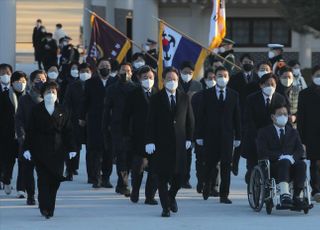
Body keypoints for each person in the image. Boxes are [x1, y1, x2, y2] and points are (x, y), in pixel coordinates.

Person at [22, 81, 76, 219]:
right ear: (43, 94)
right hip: (40, 150)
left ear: (57, 94)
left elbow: (68, 131)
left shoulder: (63, 110)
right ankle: (45, 207)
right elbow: (30, 131)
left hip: (58, 151)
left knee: (55, 180)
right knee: (43, 179)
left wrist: (71, 148)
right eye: (48, 92)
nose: (50, 94)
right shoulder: (36, 110)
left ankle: (50, 205)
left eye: (53, 92)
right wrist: (26, 148)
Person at [145, 67, 194, 217]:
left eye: (174, 79)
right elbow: (150, 121)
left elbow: (190, 120)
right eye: (169, 79)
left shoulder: (184, 97)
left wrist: (189, 138)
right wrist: (150, 141)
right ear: (163, 80)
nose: (172, 82)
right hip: (161, 144)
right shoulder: (156, 98)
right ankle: (165, 207)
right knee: (162, 177)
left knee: (179, 177)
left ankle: (171, 197)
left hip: (179, 144)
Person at [195, 66, 241, 204]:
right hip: (210, 135)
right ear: (215, 77)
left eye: (225, 75)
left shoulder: (234, 94)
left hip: (227, 136)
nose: (222, 78)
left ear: (228, 78)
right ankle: (207, 185)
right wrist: (199, 135)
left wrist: (238, 136)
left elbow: (236, 117)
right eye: (219, 75)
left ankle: (224, 194)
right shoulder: (207, 94)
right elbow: (201, 116)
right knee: (210, 164)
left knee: (226, 165)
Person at [257, 103, 306, 208]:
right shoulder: (264, 132)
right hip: (274, 166)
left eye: (285, 114)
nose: (283, 116)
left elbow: (299, 149)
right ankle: (284, 195)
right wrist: (280, 156)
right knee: (284, 162)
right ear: (273, 117)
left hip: (292, 164)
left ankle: (296, 197)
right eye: (280, 114)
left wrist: (292, 158)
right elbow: (262, 151)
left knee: (302, 164)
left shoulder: (293, 132)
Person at [242, 73, 288, 184]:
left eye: (273, 84)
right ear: (261, 85)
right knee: (253, 167)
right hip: (254, 138)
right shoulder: (252, 99)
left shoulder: (280, 99)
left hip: (273, 140)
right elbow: (248, 119)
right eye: (267, 84)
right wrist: (258, 135)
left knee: (272, 168)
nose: (270, 87)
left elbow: (283, 117)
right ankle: (253, 185)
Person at [122, 65, 158, 204]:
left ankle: (150, 196)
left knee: (154, 169)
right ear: (139, 78)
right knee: (138, 167)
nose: (148, 80)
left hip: (155, 137)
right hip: (138, 136)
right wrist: (126, 134)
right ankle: (135, 190)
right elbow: (126, 115)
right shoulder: (133, 94)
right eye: (145, 78)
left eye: (150, 77)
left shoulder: (157, 93)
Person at [81, 58, 117, 188]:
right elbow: (85, 101)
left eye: (107, 66)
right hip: (94, 121)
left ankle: (106, 178)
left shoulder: (115, 82)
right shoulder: (90, 83)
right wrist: (82, 117)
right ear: (97, 68)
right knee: (94, 151)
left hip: (110, 122)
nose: (105, 68)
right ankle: (95, 178)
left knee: (108, 151)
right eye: (102, 66)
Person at [103, 62, 137, 196]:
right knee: (121, 156)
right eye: (123, 70)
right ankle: (123, 185)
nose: (125, 73)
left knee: (129, 157)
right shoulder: (111, 89)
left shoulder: (136, 88)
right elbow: (106, 109)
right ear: (118, 72)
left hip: (132, 128)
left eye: (128, 71)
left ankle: (121, 183)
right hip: (117, 127)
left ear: (131, 73)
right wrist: (105, 126)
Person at [15, 70, 47, 205]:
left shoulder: (51, 97)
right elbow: (19, 120)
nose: (41, 82)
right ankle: (31, 195)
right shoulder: (25, 99)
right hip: (28, 141)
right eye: (38, 80)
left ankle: (44, 196)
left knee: (44, 173)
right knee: (28, 170)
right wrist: (22, 138)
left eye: (43, 79)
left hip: (45, 141)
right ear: (32, 82)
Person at [228, 54, 260, 175]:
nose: (248, 63)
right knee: (238, 140)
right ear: (240, 64)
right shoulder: (234, 78)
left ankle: (250, 166)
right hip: (239, 112)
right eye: (245, 61)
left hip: (253, 114)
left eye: (250, 62)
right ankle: (234, 163)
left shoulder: (257, 79)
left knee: (251, 140)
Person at [0, 70, 27, 196]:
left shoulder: (28, 97)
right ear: (12, 82)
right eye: (17, 81)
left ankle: (21, 188)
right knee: (8, 161)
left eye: (23, 81)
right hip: (8, 134)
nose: (20, 84)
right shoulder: (4, 95)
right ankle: (6, 180)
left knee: (23, 162)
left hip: (24, 135)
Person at [178, 60, 202, 188]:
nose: (187, 74)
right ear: (180, 72)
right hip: (178, 121)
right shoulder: (175, 84)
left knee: (188, 154)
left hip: (192, 121)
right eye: (184, 72)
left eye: (190, 72)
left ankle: (185, 178)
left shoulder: (197, 85)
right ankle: (175, 177)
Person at [297, 65, 320, 202]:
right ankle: (316, 190)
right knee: (315, 162)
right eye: (317, 75)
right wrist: (301, 138)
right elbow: (301, 117)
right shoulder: (304, 94)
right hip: (311, 133)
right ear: (312, 77)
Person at [192, 68, 216, 194]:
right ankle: (201, 181)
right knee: (201, 160)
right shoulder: (197, 97)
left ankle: (213, 185)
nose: (212, 81)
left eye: (214, 78)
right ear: (204, 80)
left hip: (216, 134)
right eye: (209, 78)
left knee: (215, 161)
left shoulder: (223, 95)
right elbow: (193, 117)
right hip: (201, 133)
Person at [63, 63, 88, 181]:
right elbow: (67, 103)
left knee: (92, 149)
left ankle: (93, 174)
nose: (85, 73)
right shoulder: (73, 86)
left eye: (87, 71)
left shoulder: (94, 84)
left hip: (90, 121)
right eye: (82, 71)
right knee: (73, 146)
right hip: (75, 120)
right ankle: (70, 169)